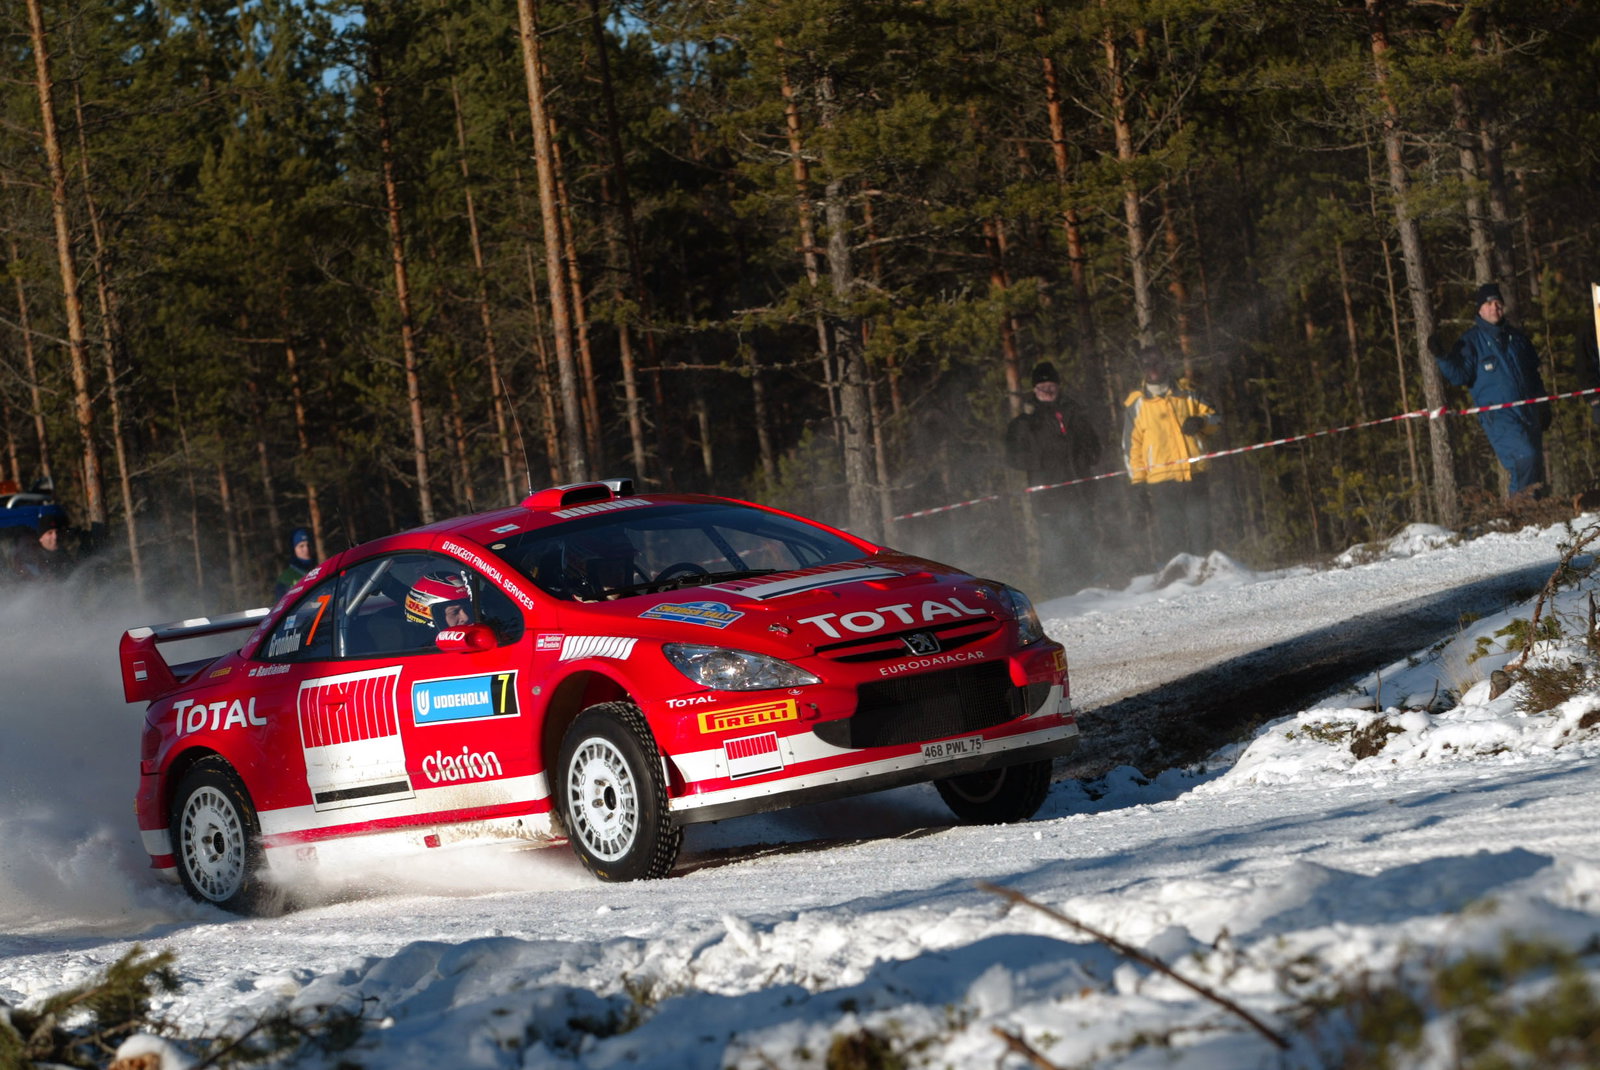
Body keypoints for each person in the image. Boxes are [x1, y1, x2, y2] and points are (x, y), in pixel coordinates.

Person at [1436, 282, 1550, 499]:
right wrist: (1443, 357)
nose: (1494, 308)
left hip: (1528, 410)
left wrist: (1543, 404)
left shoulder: (1517, 338)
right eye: (1488, 304)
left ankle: (1536, 512)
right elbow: (1459, 376)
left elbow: (1533, 374)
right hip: (1499, 415)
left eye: (1497, 303)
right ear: (1479, 309)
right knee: (1524, 458)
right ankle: (1521, 510)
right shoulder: (1471, 341)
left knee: (1534, 466)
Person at [1004, 361, 1102, 588]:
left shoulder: (1074, 412)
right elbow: (1012, 457)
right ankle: (1058, 590)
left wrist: (1084, 458)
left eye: (1051, 386)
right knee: (1055, 544)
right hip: (1047, 495)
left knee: (1083, 538)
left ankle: (1090, 585)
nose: (1047, 391)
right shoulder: (1025, 422)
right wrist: (1039, 462)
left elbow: (1094, 446)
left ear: (1058, 387)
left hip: (1078, 491)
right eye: (1042, 387)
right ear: (1034, 390)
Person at [1122, 351, 1219, 568]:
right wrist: (1137, 482)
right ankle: (1178, 579)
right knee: (1172, 537)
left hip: (1194, 473)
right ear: (1142, 369)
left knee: (1202, 532)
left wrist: (1201, 422)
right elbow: (1131, 447)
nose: (1153, 369)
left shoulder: (1188, 392)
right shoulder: (1136, 403)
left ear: (1165, 364)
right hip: (1162, 480)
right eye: (1147, 365)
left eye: (1156, 363)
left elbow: (1215, 418)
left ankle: (1208, 576)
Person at [11, 514, 73, 580]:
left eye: (34, 545)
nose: (31, 548)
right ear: (18, 550)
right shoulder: (14, 573)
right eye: (27, 546)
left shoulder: (53, 562)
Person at [273, 527, 316, 601]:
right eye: (301, 546)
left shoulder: (320, 569)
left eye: (308, 545)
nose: (306, 549)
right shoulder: (285, 579)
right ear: (293, 550)